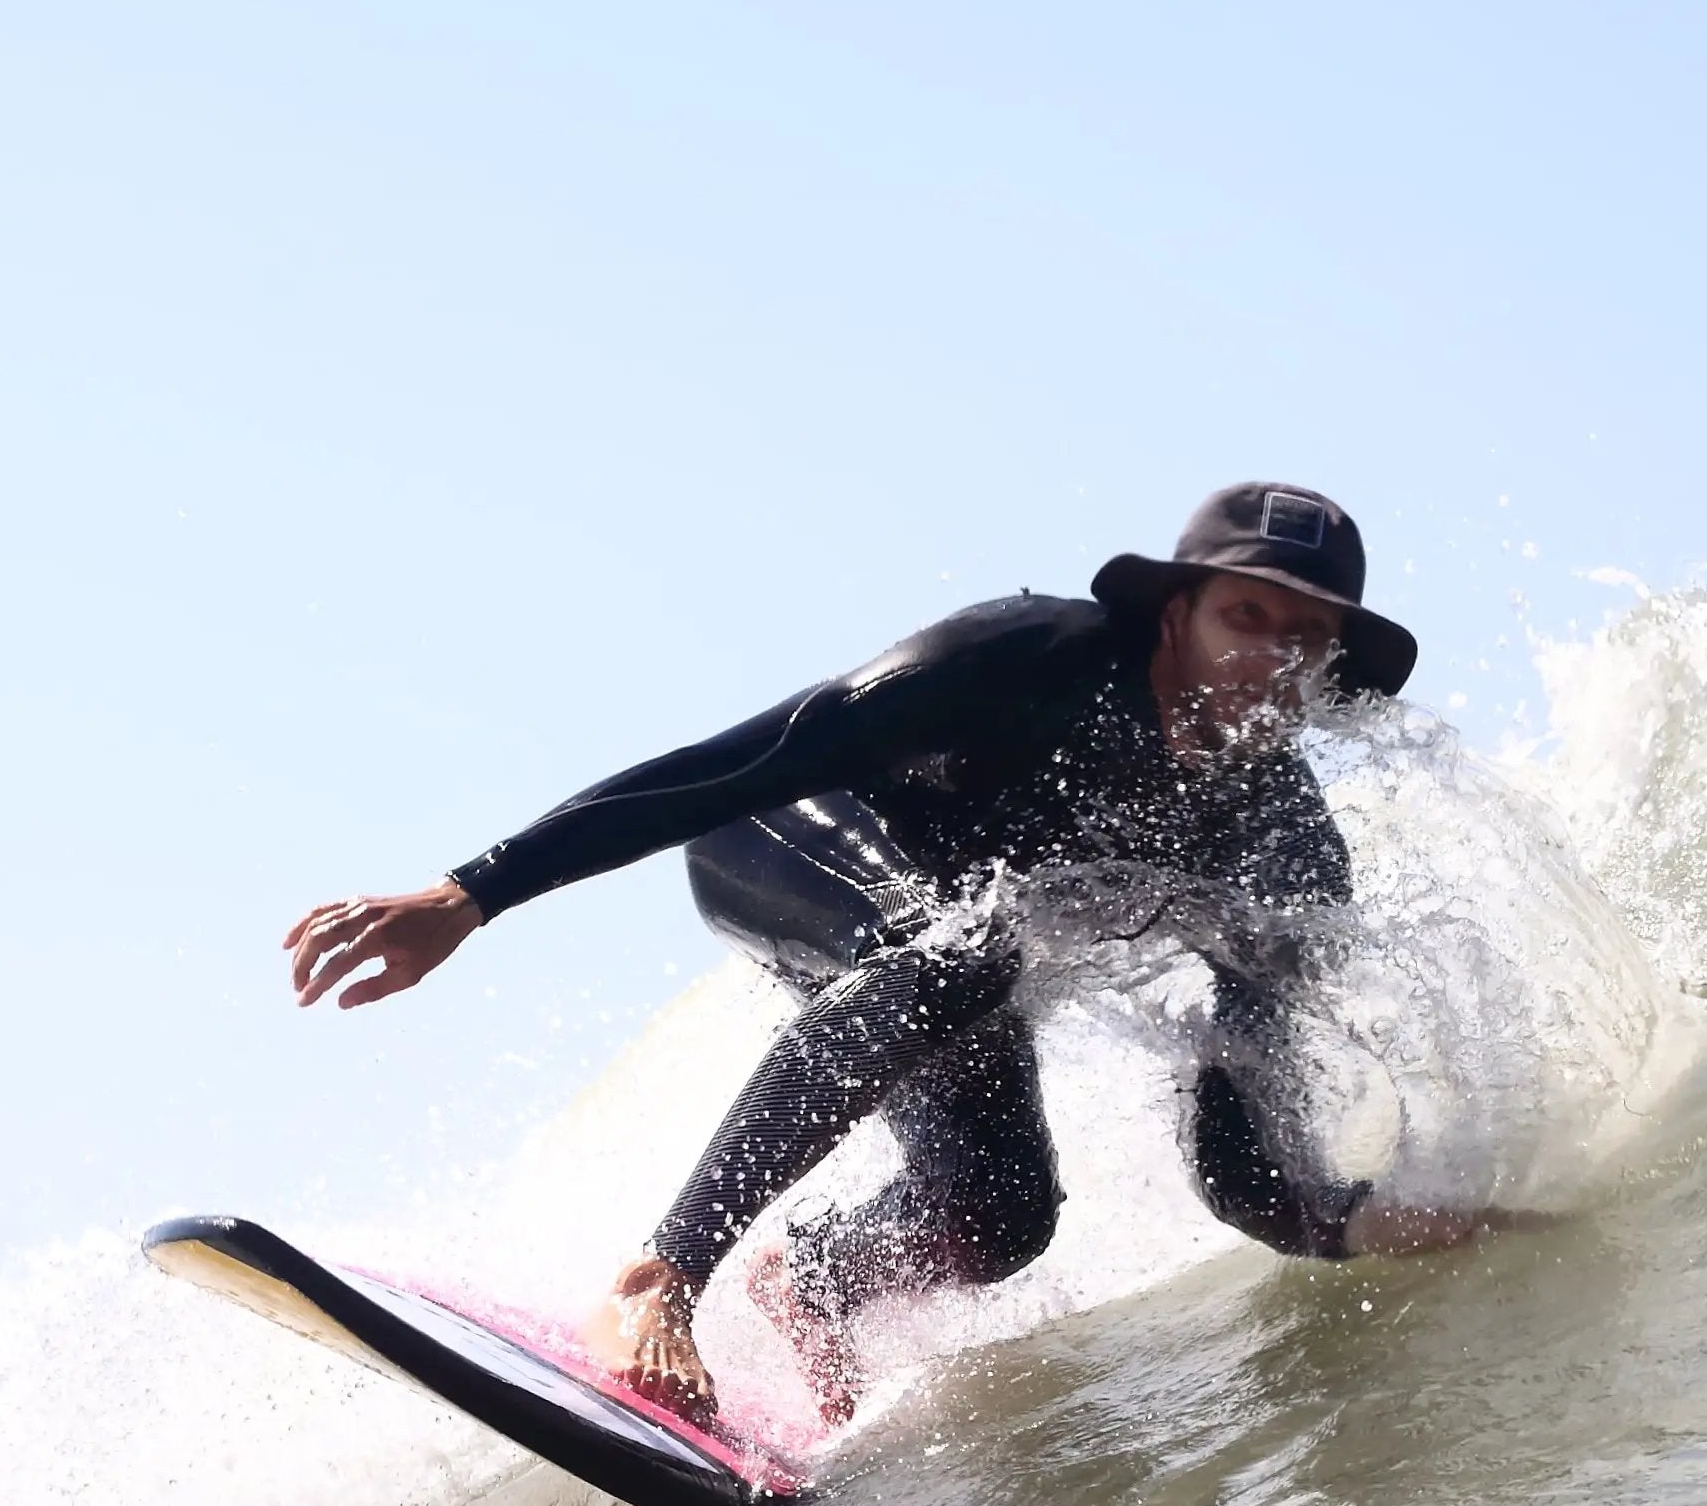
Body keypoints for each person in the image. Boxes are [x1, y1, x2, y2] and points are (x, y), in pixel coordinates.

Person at [286, 481, 1474, 1422]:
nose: (1266, 654)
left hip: (953, 944)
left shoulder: (1282, 845)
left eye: (1301, 637)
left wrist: (1344, 1219)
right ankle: (658, 1278)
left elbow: (1240, 1115)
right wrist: (472, 892)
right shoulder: (1024, 658)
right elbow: (737, 764)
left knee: (1003, 1216)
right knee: (959, 952)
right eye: (1244, 614)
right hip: (787, 841)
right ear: (1178, 613)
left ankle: (819, 1284)